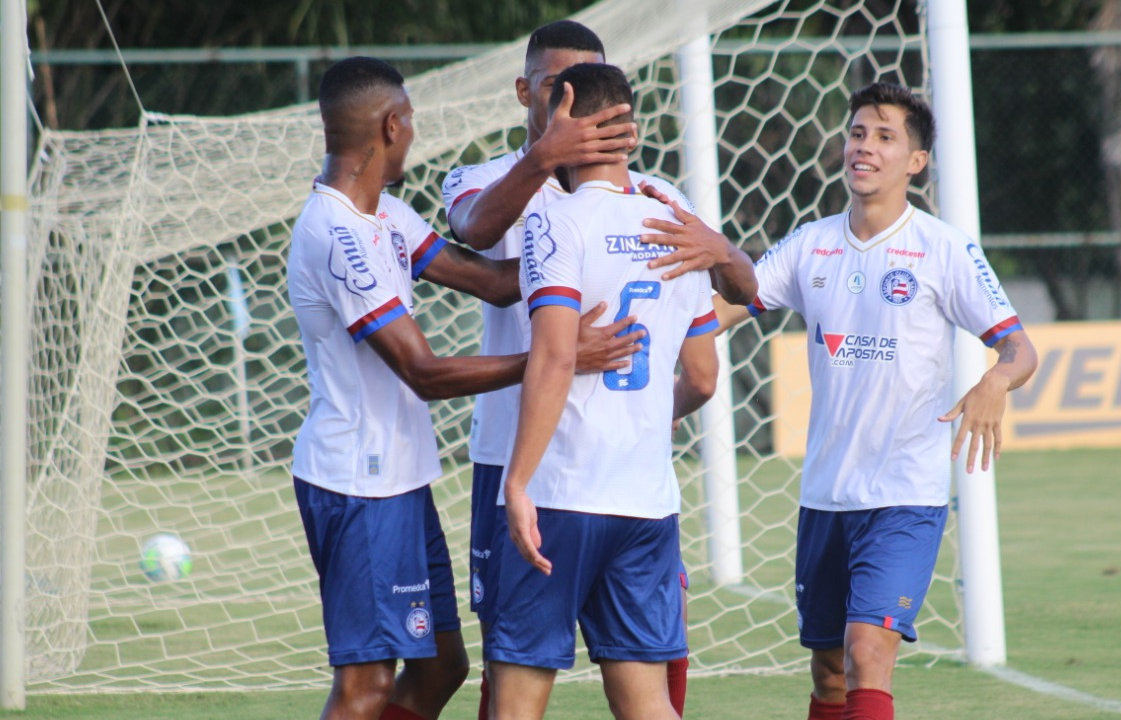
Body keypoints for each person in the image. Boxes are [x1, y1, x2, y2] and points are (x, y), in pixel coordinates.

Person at [641, 82, 1038, 720]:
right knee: (829, 671)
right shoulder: (810, 245)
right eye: (857, 133)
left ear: (916, 161)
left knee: (865, 651)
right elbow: (719, 312)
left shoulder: (944, 249)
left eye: (885, 137)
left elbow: (1020, 350)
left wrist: (996, 380)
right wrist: (635, 349)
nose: (865, 147)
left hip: (905, 492)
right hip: (825, 494)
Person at [287, 57, 641, 720]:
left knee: (444, 664)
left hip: (398, 479)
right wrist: (556, 358)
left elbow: (492, 279)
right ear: (392, 125)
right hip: (356, 482)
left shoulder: (386, 215)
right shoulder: (335, 233)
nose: (415, 133)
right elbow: (422, 371)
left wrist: (590, 243)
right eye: (411, 120)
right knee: (364, 685)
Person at [440, 20, 757, 719]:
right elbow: (477, 230)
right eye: (557, 84)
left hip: (549, 477)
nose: (572, 105)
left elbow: (558, 355)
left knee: (521, 685)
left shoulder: (647, 203)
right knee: (605, 684)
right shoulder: (493, 178)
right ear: (528, 92)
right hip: (543, 460)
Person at [486, 62, 720, 720]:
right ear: (632, 133)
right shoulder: (675, 224)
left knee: (516, 704)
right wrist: (647, 417)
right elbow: (702, 376)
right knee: (646, 702)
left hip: (563, 493)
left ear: (559, 118)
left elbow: (558, 355)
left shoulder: (554, 222)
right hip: (646, 502)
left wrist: (518, 481)